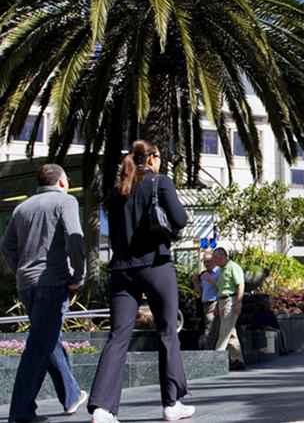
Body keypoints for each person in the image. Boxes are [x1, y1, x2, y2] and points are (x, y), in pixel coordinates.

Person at [88, 141, 194, 423]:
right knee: (168, 332)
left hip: (121, 269)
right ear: (153, 159)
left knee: (118, 336)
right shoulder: (159, 182)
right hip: (155, 265)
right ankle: (171, 404)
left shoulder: (116, 190)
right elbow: (180, 219)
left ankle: (102, 408)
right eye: (160, 156)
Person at [1, 164, 88, 423]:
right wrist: (78, 276)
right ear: (62, 182)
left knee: (47, 339)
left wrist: (21, 270)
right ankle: (21, 411)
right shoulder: (66, 200)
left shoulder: (21, 208)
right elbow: (75, 239)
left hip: (26, 284)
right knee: (38, 346)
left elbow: (7, 246)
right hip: (52, 283)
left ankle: (71, 395)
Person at [212, 247, 245, 370]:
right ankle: (238, 360)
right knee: (230, 334)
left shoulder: (233, 267)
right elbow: (220, 289)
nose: (215, 261)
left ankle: (216, 361)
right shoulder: (220, 270)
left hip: (231, 301)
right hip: (222, 302)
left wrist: (238, 302)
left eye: (216, 258)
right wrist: (217, 305)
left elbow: (240, 285)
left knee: (224, 333)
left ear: (223, 256)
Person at [192, 251, 220, 350]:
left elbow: (223, 289)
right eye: (204, 262)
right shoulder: (204, 274)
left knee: (210, 328)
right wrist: (195, 282)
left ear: (215, 261)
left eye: (209, 261)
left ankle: (208, 352)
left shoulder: (219, 272)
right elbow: (200, 293)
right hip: (205, 304)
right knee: (210, 328)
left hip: (215, 302)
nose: (206, 264)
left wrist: (212, 281)